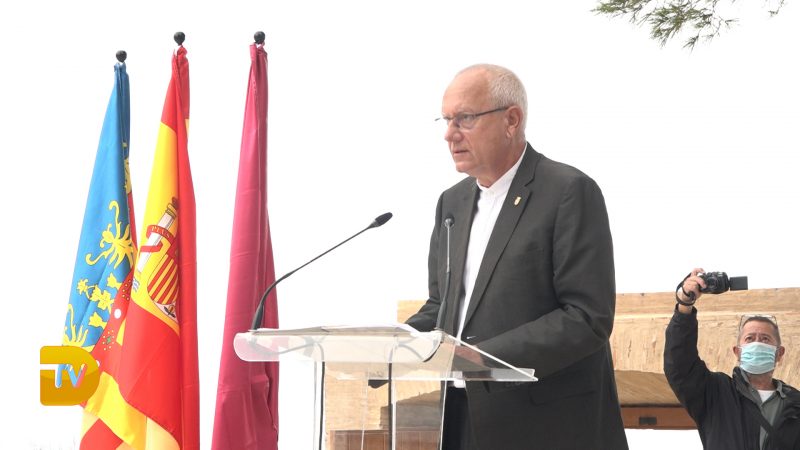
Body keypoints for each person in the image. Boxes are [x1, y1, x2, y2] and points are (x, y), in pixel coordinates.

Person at [405, 63, 628, 450]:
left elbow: (587, 317)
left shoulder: (568, 191)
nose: (449, 134)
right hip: (462, 417)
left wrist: (481, 358)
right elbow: (443, 305)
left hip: (545, 426)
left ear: (511, 120)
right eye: (446, 120)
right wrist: (395, 343)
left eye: (465, 118)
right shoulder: (451, 203)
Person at [665, 268, 800, 449]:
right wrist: (684, 304)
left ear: (779, 353)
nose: (757, 343)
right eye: (749, 338)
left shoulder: (796, 405)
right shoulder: (715, 393)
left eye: (765, 339)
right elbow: (680, 365)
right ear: (737, 352)